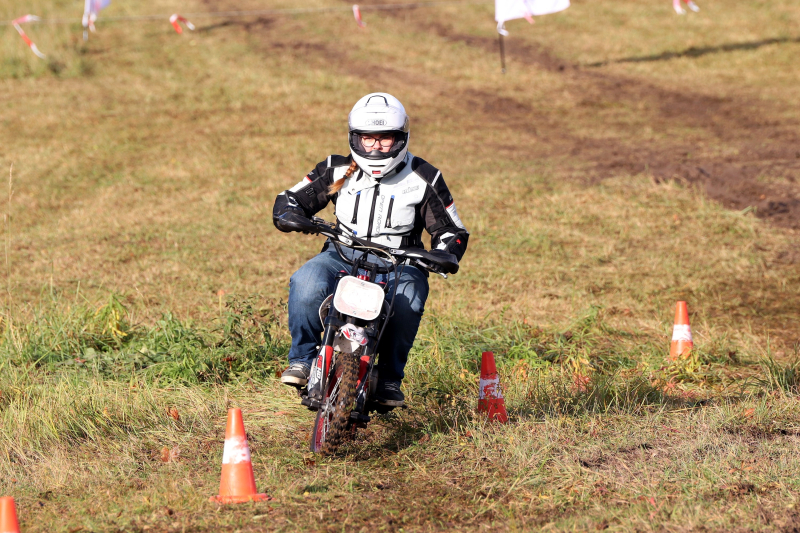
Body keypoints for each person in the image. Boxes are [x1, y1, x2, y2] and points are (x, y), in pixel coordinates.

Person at [272, 92, 469, 407]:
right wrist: (290, 213)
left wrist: (444, 253)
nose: (376, 146)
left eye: (385, 139)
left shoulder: (424, 177)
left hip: (400, 263)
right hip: (341, 254)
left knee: (409, 301)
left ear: (401, 138)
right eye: (367, 139)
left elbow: (451, 230)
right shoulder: (335, 169)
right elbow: (293, 198)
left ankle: (389, 379)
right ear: (354, 138)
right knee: (306, 281)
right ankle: (304, 360)